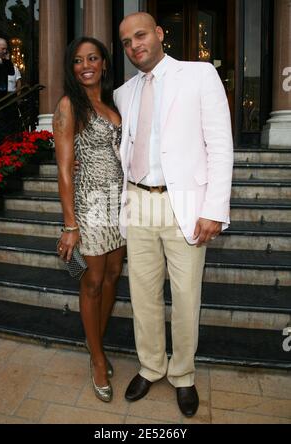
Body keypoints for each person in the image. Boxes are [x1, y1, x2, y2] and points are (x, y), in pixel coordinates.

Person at [114, 13, 234, 417]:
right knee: (142, 295)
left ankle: (183, 375)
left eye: (141, 35)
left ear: (160, 34)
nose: (135, 45)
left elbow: (220, 144)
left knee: (186, 297)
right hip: (138, 202)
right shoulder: (124, 92)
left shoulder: (199, 75)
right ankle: (151, 366)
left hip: (184, 205)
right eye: (127, 41)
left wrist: (214, 209)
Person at [53, 37, 126, 403]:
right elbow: (65, 169)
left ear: (104, 64)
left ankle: (93, 337)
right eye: (79, 60)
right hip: (90, 205)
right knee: (93, 281)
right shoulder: (70, 105)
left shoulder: (112, 103)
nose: (86, 65)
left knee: (114, 275)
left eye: (93, 58)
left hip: (119, 205)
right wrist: (70, 224)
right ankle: (98, 358)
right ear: (72, 67)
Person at [0, 38, 15, 104]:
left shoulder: (3, 59)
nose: (5, 51)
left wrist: (8, 60)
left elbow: (11, 72)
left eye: (6, 49)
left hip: (3, 96)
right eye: (3, 48)